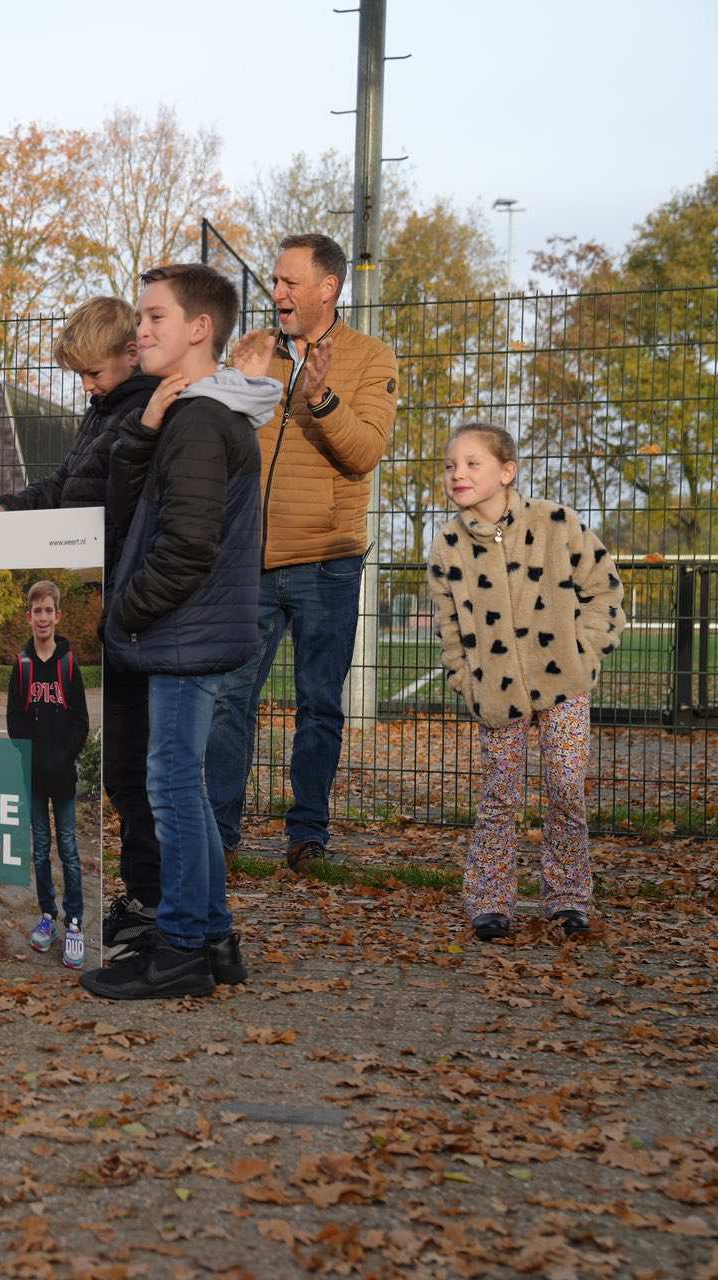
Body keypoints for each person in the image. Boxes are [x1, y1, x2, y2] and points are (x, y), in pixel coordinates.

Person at [84, 264, 277, 1000]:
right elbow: (132, 502)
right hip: (187, 630)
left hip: (179, 631)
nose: (142, 329)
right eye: (142, 316)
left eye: (157, 317)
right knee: (182, 788)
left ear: (201, 329)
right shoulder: (191, 412)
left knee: (170, 788)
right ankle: (213, 935)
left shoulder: (202, 419)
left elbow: (185, 545)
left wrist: (124, 611)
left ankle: (185, 948)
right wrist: (143, 429)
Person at [0, 297, 164, 960]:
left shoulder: (149, 413)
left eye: (92, 372)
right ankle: (137, 898)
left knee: (141, 769)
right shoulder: (104, 411)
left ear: (130, 352)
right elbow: (60, 488)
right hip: (111, 622)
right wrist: (6, 509)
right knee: (127, 771)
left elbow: (102, 504)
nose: (86, 385)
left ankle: (151, 900)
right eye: (78, 375)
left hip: (133, 609)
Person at [203, 233, 399, 874]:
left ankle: (307, 835)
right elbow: (218, 444)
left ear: (327, 289)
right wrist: (232, 382)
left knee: (318, 703)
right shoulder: (258, 352)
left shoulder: (370, 358)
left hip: (327, 564)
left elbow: (365, 451)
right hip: (249, 563)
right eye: (276, 282)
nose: (277, 293)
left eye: (289, 282)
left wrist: (320, 398)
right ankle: (219, 833)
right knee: (231, 699)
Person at [427, 423, 624, 942]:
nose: (458, 474)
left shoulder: (556, 524)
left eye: (473, 463)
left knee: (565, 788)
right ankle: (490, 901)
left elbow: (603, 588)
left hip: (563, 682)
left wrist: (582, 653)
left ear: (506, 471)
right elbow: (450, 629)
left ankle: (568, 898)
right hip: (496, 691)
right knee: (499, 793)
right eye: (450, 465)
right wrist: (466, 681)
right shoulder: (448, 547)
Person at [5, 579, 90, 970]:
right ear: (29, 617)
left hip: (63, 776)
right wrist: (35, 758)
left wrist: (63, 756)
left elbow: (81, 722)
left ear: (58, 615)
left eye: (48, 610)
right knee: (40, 850)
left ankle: (74, 922)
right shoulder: (21, 667)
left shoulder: (69, 665)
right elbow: (14, 721)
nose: (42, 617)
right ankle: (48, 915)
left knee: (68, 850)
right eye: (36, 611)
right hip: (34, 776)